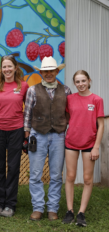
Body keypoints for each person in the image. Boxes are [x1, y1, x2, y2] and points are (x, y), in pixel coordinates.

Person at [24, 56, 71, 221]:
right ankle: (38, 208)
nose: (49, 73)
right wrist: (26, 133)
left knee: (56, 174)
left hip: (58, 135)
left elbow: (69, 113)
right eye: (45, 71)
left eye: (52, 70)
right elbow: (27, 113)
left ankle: (52, 208)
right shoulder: (32, 90)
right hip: (38, 135)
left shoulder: (66, 90)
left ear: (57, 71)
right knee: (36, 174)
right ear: (41, 72)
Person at [0, 55, 29, 217]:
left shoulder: (23, 86)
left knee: (13, 167)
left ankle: (10, 204)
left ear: (15, 68)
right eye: (4, 67)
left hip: (16, 131)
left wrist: (27, 131)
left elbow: (28, 109)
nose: (7, 70)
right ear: (1, 69)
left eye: (10, 66)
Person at [62, 70, 104, 227]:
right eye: (77, 82)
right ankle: (70, 210)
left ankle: (81, 213)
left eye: (83, 81)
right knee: (70, 177)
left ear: (89, 80)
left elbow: (101, 125)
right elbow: (67, 119)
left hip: (89, 144)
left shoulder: (97, 100)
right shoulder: (70, 99)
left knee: (87, 179)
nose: (80, 84)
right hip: (71, 142)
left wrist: (96, 147)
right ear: (74, 83)